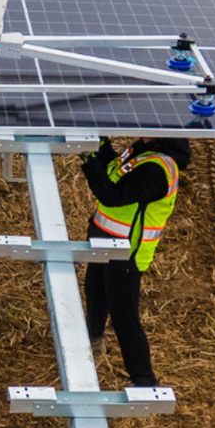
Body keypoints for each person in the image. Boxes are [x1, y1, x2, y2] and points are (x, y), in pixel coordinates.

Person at [78, 135, 190, 387]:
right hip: (106, 241)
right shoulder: (143, 150)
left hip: (126, 255)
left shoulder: (157, 170)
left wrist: (89, 160)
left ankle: (145, 383)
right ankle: (94, 340)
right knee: (95, 292)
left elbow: (112, 194)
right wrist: (101, 147)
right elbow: (113, 169)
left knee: (125, 318)